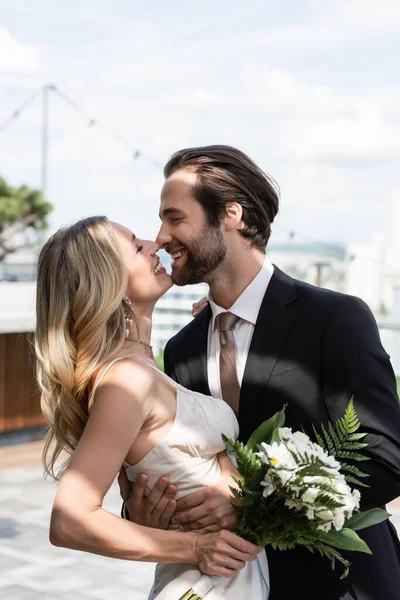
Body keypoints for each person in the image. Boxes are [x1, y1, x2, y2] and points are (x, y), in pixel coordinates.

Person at [121, 145, 400, 600]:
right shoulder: (183, 347)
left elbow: (386, 461)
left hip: (342, 586)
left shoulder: (336, 317)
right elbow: (181, 464)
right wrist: (144, 511)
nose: (162, 235)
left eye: (175, 218)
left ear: (231, 214)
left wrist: (249, 501)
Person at [35, 215, 266, 600]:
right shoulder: (127, 379)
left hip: (236, 575)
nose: (154, 244)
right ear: (108, 282)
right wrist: (195, 548)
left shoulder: (147, 366)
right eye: (136, 247)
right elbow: (69, 520)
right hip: (204, 582)